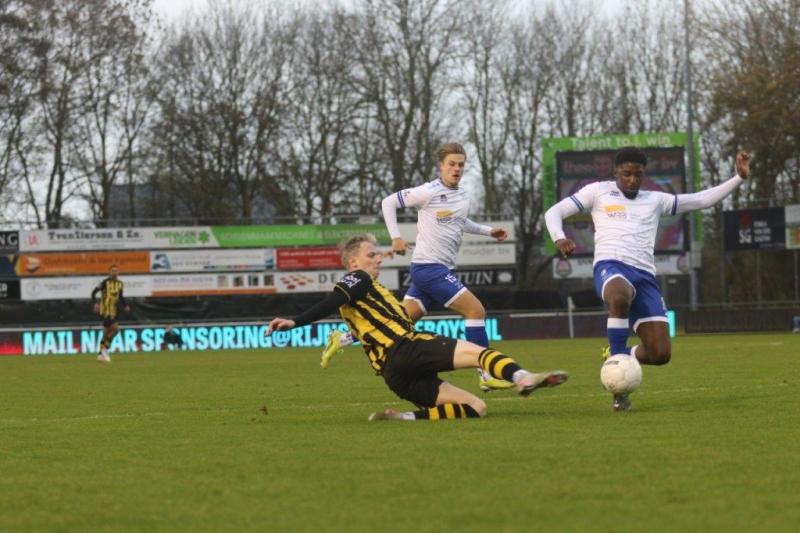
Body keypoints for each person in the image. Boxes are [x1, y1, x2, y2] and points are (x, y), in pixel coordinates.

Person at [268, 234, 568, 421]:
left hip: (395, 376)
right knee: (479, 353)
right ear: (353, 263)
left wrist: (344, 338)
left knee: (476, 407)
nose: (378, 259)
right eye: (371, 255)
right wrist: (295, 321)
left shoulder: (373, 298)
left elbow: (366, 323)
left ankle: (402, 418)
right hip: (406, 348)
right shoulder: (358, 278)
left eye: (377, 254)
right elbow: (332, 301)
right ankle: (522, 377)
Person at [544, 147, 751, 411]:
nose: (632, 180)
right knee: (619, 297)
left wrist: (739, 178)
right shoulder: (597, 191)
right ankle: (618, 382)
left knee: (660, 354)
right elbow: (554, 212)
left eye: (638, 175)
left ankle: (617, 353)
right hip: (610, 265)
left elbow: (701, 200)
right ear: (616, 172)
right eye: (627, 174)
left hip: (644, 276)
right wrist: (559, 238)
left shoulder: (655, 200)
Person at [323, 142, 513, 392]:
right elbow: (388, 202)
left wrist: (488, 231)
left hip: (439, 269)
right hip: (429, 269)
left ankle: (343, 337)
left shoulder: (462, 195)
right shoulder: (428, 191)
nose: (456, 169)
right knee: (475, 311)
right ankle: (486, 373)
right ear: (441, 166)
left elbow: (460, 221)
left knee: (397, 320)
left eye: (460, 164)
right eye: (451, 164)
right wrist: (396, 237)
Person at [91, 264, 130, 362]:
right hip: (104, 311)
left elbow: (120, 297)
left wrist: (125, 305)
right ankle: (105, 350)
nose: (114, 272)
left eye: (116, 271)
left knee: (106, 333)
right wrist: (96, 303)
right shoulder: (105, 282)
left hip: (113, 311)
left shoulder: (120, 284)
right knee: (116, 329)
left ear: (118, 272)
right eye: (113, 271)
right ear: (109, 272)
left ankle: (100, 354)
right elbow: (93, 293)